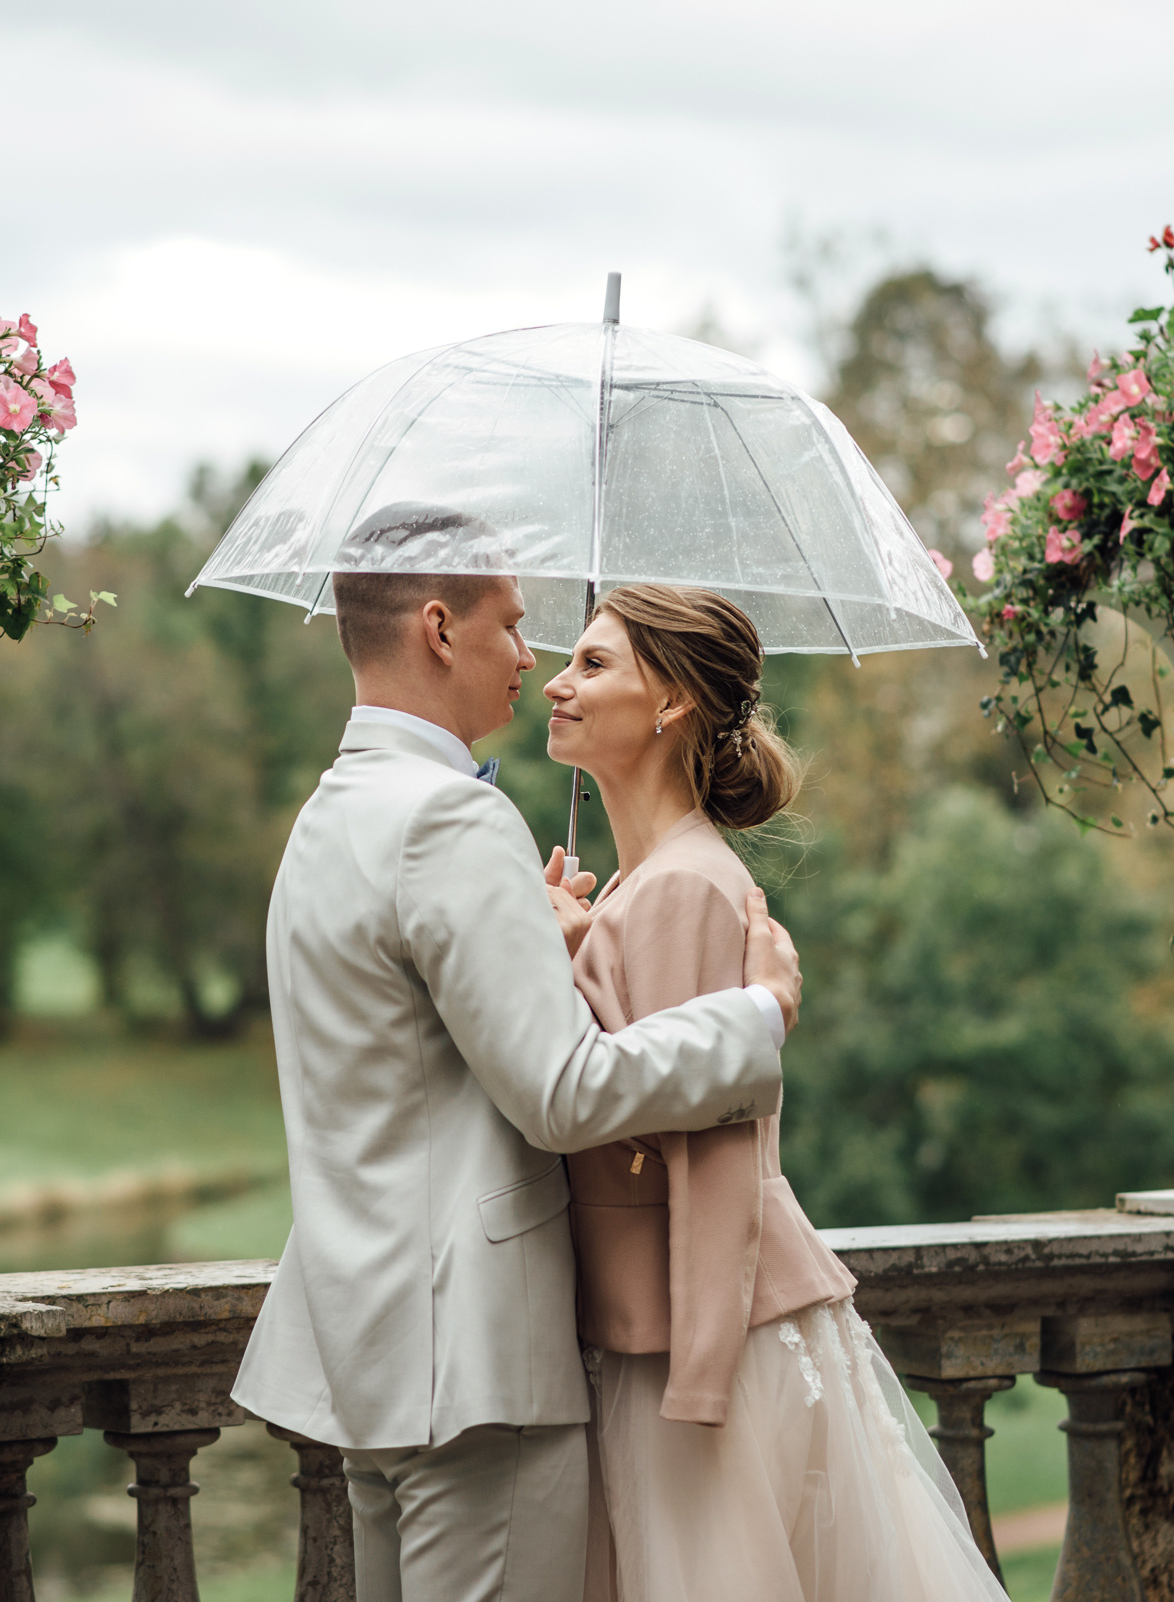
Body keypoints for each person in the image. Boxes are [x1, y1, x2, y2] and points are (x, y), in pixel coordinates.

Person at [231, 504, 808, 1602]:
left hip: (367, 1352)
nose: (529, 658)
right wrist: (756, 1018)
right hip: (475, 1363)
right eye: (512, 624)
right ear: (440, 630)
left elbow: (402, 1058)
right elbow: (564, 1094)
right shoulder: (451, 821)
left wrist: (529, 947)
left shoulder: (329, 814)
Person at [544, 582, 1008, 1602]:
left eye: (591, 664)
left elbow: (715, 1157)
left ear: (669, 702)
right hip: (657, 1324)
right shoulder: (632, 887)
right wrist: (569, 953)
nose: (554, 683)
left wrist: (701, 1378)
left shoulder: (682, 887)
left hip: (697, 1340)